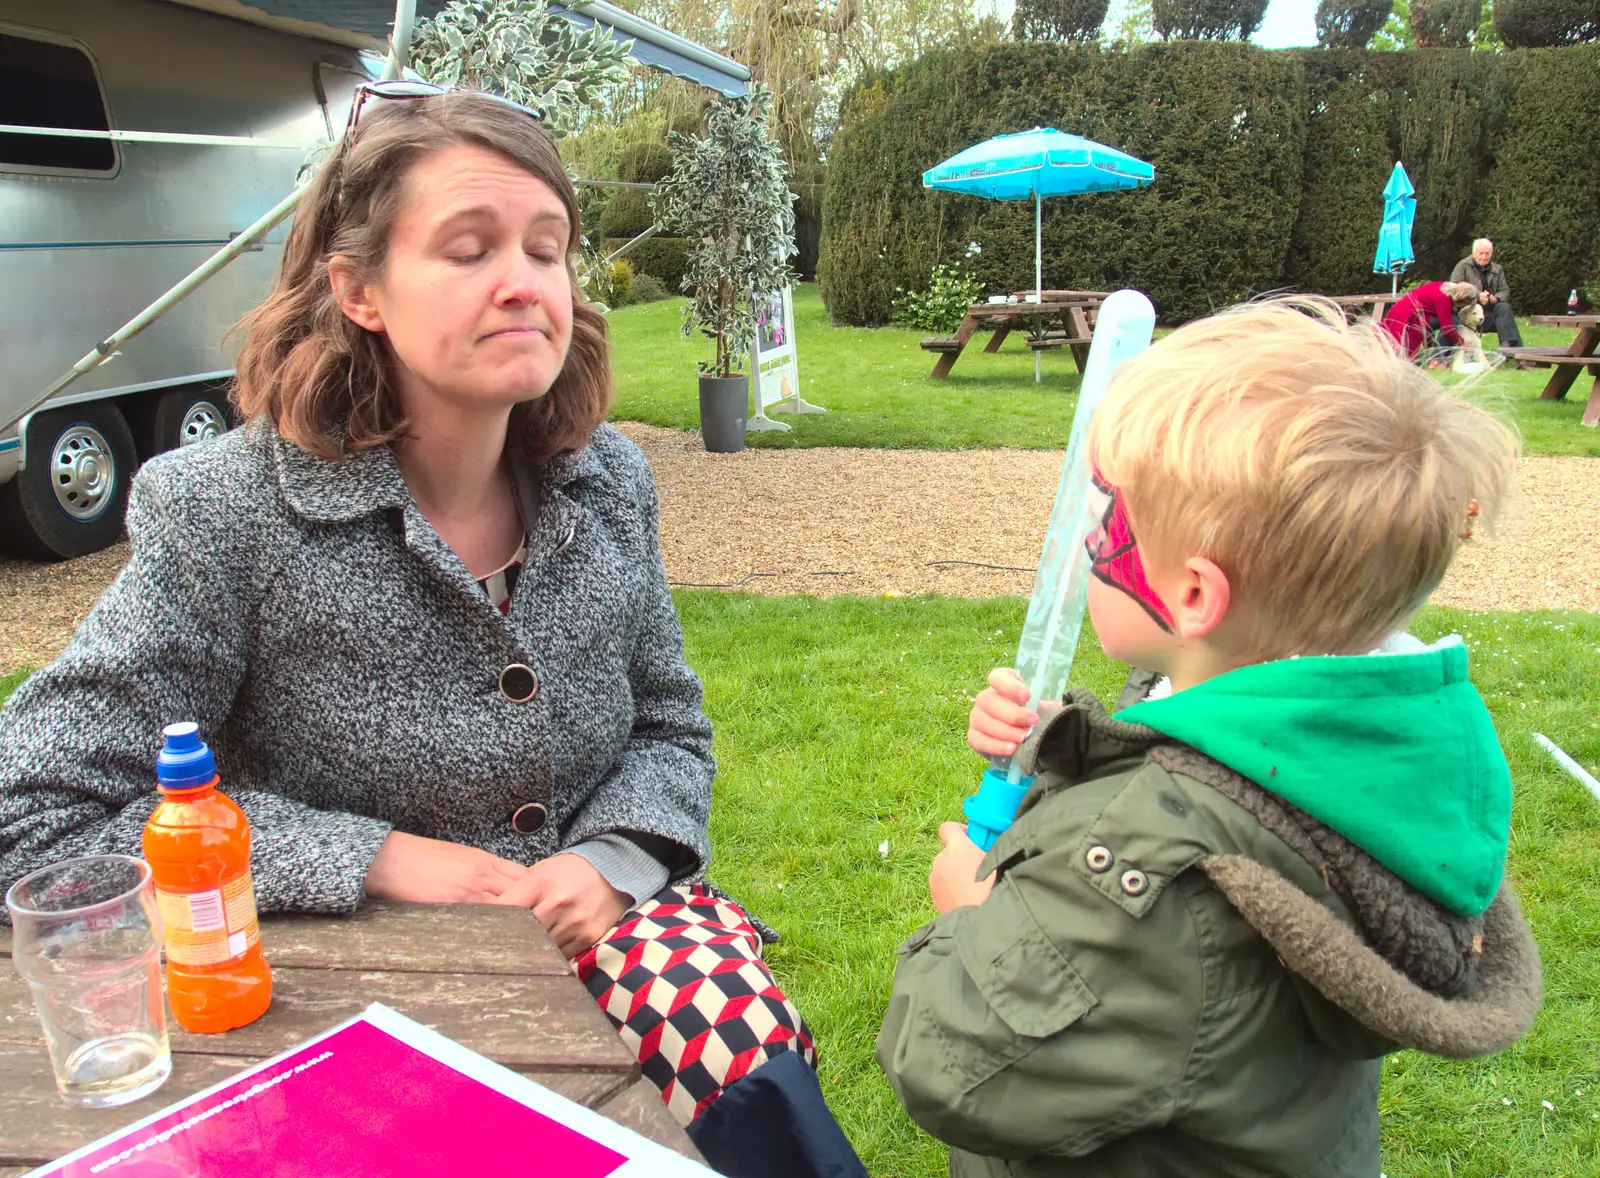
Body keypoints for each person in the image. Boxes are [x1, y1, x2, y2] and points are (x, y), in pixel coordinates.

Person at [0, 86, 863, 1178]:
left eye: (546, 249)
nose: (523, 281)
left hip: (610, 935)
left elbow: (668, 728)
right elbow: (33, 806)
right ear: (359, 290)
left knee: (742, 1063)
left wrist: (609, 862)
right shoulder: (226, 513)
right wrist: (385, 860)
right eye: (469, 248)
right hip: (349, 977)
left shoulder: (609, 486)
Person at [877, 300, 1542, 1177]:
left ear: (1195, 596)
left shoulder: (1149, 862)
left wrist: (968, 911)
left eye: (1108, 512)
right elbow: (1187, 754)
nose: (1085, 535)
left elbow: (961, 1063)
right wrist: (1056, 741)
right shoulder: (1360, 751)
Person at [1451, 238, 1524, 348]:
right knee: (1506, 320)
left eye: (1487, 253)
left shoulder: (1497, 269)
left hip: (1490, 310)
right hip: (1469, 310)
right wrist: (1477, 297)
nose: (1484, 257)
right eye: (1481, 253)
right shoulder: (1463, 266)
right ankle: (1514, 350)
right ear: (1474, 253)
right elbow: (1454, 289)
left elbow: (1505, 290)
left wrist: (1494, 298)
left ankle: (1506, 347)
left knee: (1504, 308)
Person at [1380, 279, 1479, 361]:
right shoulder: (1444, 299)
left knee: (1443, 322)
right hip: (1408, 316)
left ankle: (1434, 356)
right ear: (1463, 300)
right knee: (1453, 322)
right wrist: (1462, 341)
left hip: (1407, 312)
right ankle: (1436, 360)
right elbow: (1447, 329)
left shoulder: (1445, 287)